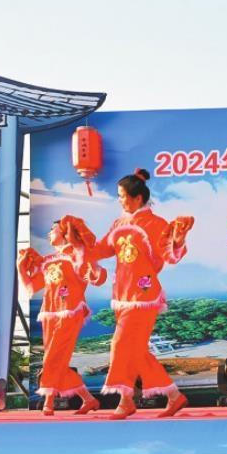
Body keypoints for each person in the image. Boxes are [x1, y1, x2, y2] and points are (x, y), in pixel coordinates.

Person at [87, 169, 194, 419]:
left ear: (137, 198)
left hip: (144, 295)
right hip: (122, 294)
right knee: (136, 350)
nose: (120, 200)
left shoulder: (156, 224)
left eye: (122, 196)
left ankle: (125, 399)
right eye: (118, 196)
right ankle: (174, 396)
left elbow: (170, 255)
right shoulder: (119, 223)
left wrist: (178, 240)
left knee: (120, 344)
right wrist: (80, 246)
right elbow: (102, 249)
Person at [19, 215, 105, 416]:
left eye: (53, 229)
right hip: (50, 313)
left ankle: (48, 401)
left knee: (52, 357)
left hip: (70, 311)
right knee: (57, 360)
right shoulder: (48, 260)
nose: (49, 232)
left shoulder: (78, 254)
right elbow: (31, 288)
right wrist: (20, 267)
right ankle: (89, 399)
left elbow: (97, 276)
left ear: (65, 232)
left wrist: (93, 268)